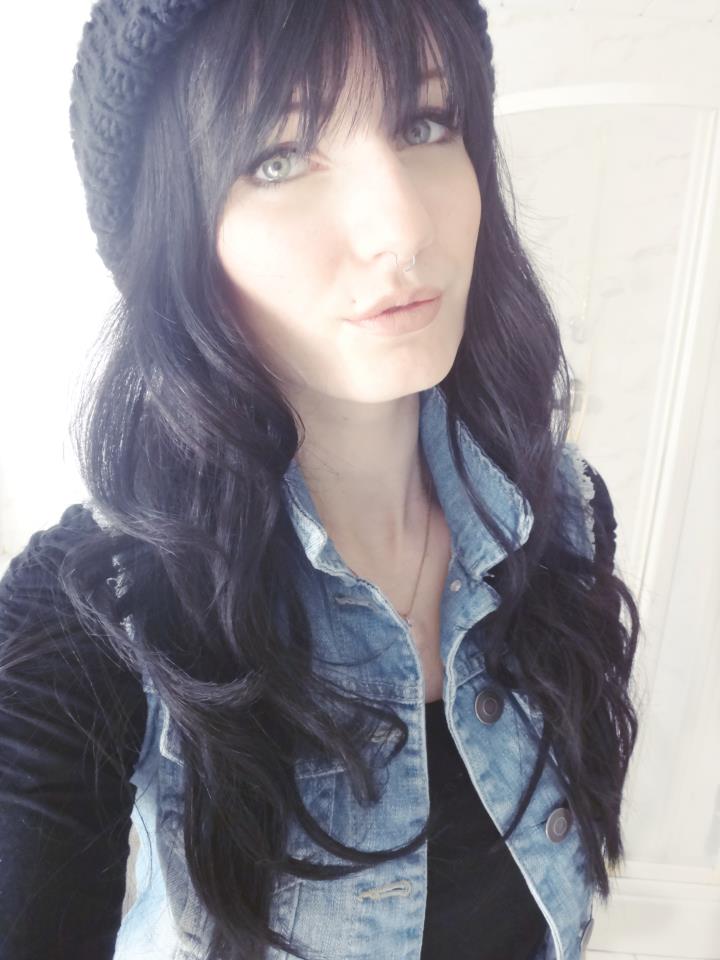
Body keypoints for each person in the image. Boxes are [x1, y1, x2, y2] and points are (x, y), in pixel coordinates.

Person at [0, 1, 641, 958]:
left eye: (425, 123)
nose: (402, 228)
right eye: (280, 157)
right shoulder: (96, 611)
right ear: (176, 232)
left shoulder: (561, 518)